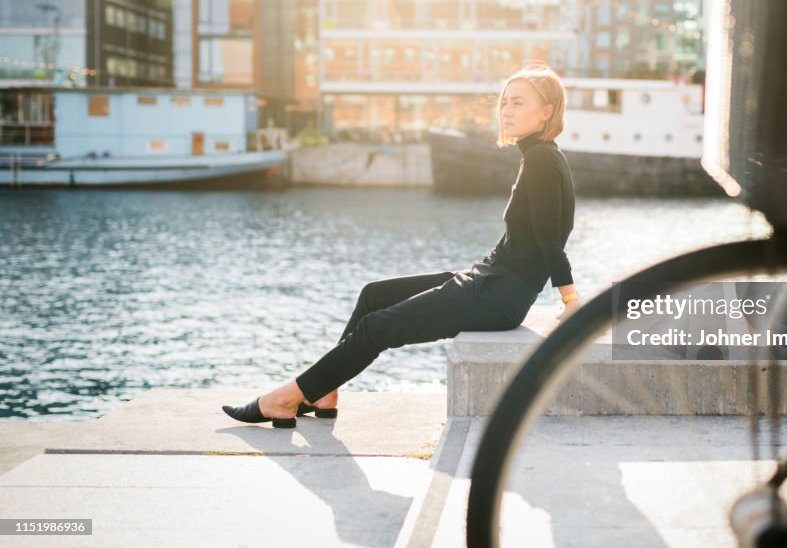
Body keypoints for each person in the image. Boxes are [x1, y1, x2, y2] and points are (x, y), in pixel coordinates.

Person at [223, 62, 581, 428]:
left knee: (377, 328)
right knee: (374, 295)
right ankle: (324, 390)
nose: (506, 111)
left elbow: (550, 240)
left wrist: (570, 301)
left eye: (519, 103)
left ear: (547, 111)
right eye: (505, 102)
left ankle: (284, 399)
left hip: (496, 297)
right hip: (486, 280)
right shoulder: (540, 156)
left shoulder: (540, 160)